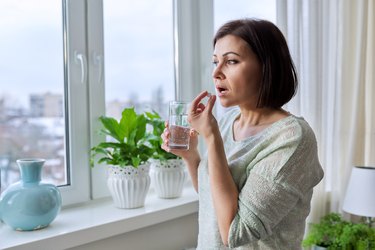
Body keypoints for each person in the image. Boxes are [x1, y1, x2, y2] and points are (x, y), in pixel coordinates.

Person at [161, 18, 324, 250]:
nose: (216, 72)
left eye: (231, 61)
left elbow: (235, 233)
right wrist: (191, 155)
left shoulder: (292, 139)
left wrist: (212, 138)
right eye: (215, 62)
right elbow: (213, 197)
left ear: (267, 66)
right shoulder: (228, 123)